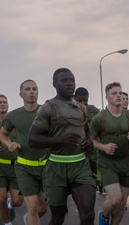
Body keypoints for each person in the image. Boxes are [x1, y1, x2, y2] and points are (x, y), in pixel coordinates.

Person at [28, 68, 96, 225]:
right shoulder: (48, 108)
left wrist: (90, 141)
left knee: (88, 215)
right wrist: (60, 139)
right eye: (64, 80)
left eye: (72, 80)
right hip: (56, 167)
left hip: (80, 166)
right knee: (58, 218)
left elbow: (87, 131)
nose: (70, 84)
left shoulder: (81, 108)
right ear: (54, 84)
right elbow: (32, 139)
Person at [91, 82, 129, 225]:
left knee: (122, 203)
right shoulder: (99, 118)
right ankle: (104, 216)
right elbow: (90, 142)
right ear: (107, 97)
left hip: (125, 162)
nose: (118, 95)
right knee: (114, 200)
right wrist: (103, 147)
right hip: (108, 163)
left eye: (120, 92)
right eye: (114, 93)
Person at [0, 80, 48, 225]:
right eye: (28, 89)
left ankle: (29, 218)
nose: (32, 91)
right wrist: (9, 144)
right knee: (31, 206)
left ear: (38, 92)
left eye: (34, 89)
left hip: (45, 166)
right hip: (23, 167)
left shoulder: (47, 112)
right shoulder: (14, 115)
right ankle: (8, 222)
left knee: (42, 207)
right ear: (21, 94)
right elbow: (3, 134)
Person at [0, 94, 23, 225]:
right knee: (1, 199)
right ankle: (7, 223)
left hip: (16, 166)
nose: (3, 104)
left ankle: (10, 205)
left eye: (5, 102)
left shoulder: (14, 122)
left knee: (17, 202)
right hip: (0, 166)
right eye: (0, 102)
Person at [74, 87, 101, 192]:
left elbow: (100, 125)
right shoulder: (68, 110)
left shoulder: (93, 111)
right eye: (79, 100)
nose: (82, 103)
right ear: (74, 98)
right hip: (76, 147)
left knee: (93, 170)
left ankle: (93, 187)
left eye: (85, 100)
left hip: (91, 147)